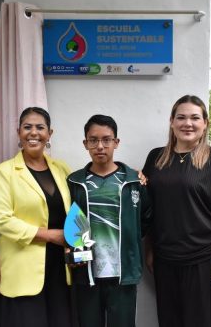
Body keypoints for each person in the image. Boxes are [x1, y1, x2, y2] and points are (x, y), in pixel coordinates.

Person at [142, 95, 211, 327]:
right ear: (171, 122)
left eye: (195, 118)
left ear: (205, 123)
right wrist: (149, 249)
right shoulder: (156, 158)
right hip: (166, 260)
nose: (188, 123)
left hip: (205, 261)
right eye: (181, 117)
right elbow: (150, 209)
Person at [0, 107, 73, 327]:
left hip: (61, 270)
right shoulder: (4, 172)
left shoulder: (62, 168)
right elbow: (2, 221)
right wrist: (51, 236)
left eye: (40, 127)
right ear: (19, 132)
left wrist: (130, 173)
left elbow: (77, 208)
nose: (33, 132)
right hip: (22, 271)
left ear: (50, 134)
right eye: (27, 127)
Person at [67, 114, 152, 327]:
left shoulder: (133, 181)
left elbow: (146, 218)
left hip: (123, 274)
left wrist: (130, 241)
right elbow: (69, 222)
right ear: (85, 143)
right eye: (93, 140)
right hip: (87, 274)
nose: (100, 146)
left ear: (116, 142)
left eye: (107, 139)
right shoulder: (75, 182)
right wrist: (75, 250)